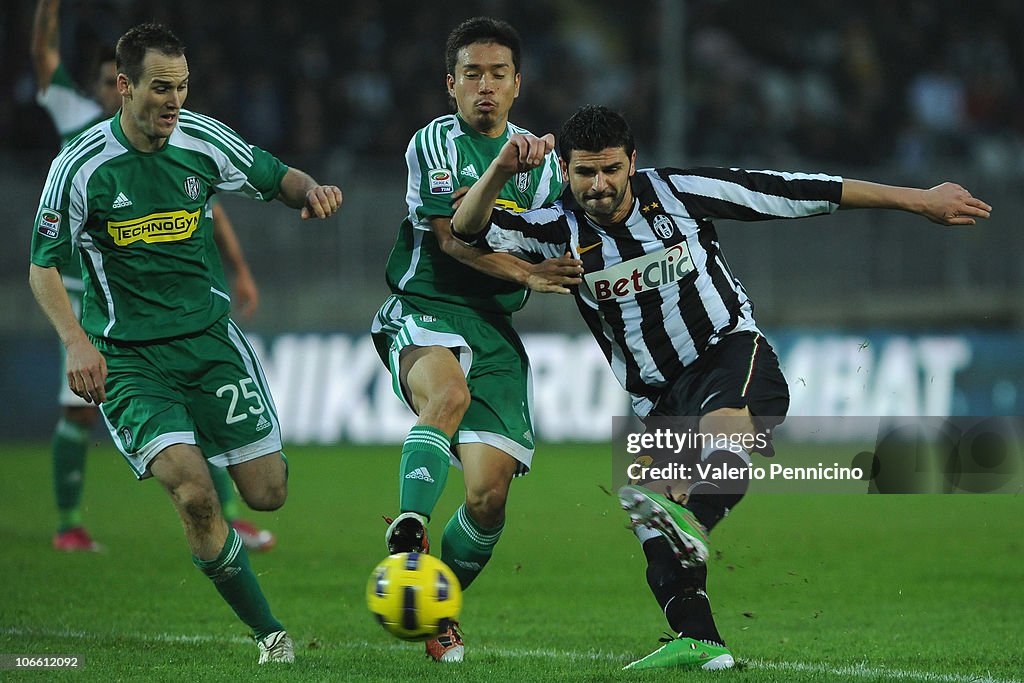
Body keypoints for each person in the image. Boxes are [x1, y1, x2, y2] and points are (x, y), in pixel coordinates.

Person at [450, 105, 991, 670]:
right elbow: (466, 228)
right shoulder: (553, 227)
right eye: (585, 172)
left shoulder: (680, 193)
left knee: (720, 430)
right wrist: (499, 172)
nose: (600, 185)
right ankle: (700, 641)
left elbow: (792, 191)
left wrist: (918, 199)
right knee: (649, 530)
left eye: (611, 169)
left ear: (633, 162)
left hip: (727, 352)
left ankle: (697, 517)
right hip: (655, 397)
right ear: (566, 170)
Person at [28, 23, 343, 664]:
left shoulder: (201, 141)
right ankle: (270, 636)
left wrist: (310, 191)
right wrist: (76, 342)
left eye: (183, 87)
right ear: (125, 87)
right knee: (196, 496)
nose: (174, 101)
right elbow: (41, 265)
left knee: (268, 493)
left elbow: (274, 174)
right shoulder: (81, 167)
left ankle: (215, 457)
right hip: (133, 360)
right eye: (161, 88)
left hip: (210, 345)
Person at [369, 17, 580, 662]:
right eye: (471, 75)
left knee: (489, 501)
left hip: (493, 327)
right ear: (450, 85)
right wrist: (525, 266)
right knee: (449, 395)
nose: (483, 86)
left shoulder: (547, 166)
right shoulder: (434, 144)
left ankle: (436, 607)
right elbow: (452, 237)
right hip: (423, 304)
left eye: (496, 74)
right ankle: (409, 529)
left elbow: (572, 228)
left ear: (518, 84)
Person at [31, 0, 274, 553]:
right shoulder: (78, 130)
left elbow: (210, 208)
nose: (99, 90)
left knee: (203, 403)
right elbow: (43, 57)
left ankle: (227, 515)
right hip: (84, 294)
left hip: (166, 296)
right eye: (97, 82)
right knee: (77, 408)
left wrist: (238, 271)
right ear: (118, 85)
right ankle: (69, 520)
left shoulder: (174, 138)